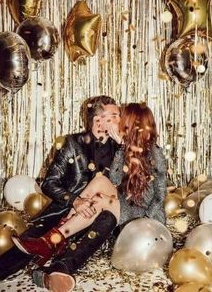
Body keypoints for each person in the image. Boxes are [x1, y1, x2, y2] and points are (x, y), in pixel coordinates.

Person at [12, 103, 167, 292]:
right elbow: (115, 179)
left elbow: (160, 195)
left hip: (141, 213)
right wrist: (122, 148)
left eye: (122, 118)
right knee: (101, 183)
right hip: (123, 203)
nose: (117, 122)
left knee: (103, 203)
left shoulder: (155, 152)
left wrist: (149, 222)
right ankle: (54, 241)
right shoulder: (121, 147)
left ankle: (53, 240)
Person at [0, 95, 121, 284]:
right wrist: (75, 201)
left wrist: (123, 147)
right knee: (30, 242)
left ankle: (54, 272)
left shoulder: (120, 147)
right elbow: (49, 183)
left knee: (104, 223)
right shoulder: (73, 143)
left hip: (99, 215)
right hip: (63, 210)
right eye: (115, 115)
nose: (120, 119)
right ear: (98, 120)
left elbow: (128, 187)